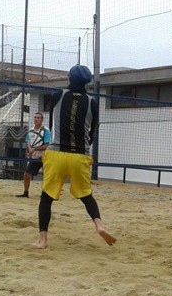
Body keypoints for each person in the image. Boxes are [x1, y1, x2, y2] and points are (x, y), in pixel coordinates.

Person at [32, 65, 116, 249]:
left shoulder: (57, 95)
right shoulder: (92, 102)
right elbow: (92, 132)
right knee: (86, 195)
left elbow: (53, 126)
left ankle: (42, 240)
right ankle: (99, 225)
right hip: (80, 156)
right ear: (88, 82)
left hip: (56, 154)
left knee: (46, 198)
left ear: (69, 78)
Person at [16, 111, 51, 198]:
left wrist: (34, 149)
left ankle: (45, 194)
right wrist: (29, 150)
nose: (36, 119)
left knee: (46, 175)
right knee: (27, 174)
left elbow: (47, 145)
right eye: (35, 117)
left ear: (42, 120)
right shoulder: (30, 130)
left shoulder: (46, 131)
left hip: (45, 156)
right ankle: (26, 193)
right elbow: (28, 142)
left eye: (38, 118)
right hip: (35, 157)